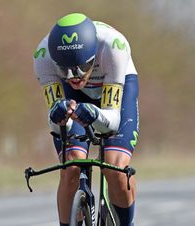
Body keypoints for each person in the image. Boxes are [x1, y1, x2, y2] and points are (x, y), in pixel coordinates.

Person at [33, 13, 139, 226]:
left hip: (117, 87)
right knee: (71, 166)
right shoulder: (43, 56)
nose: (74, 76)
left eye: (83, 66)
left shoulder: (113, 47)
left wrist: (94, 113)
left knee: (114, 167)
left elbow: (112, 121)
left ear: (94, 55)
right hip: (74, 99)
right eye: (64, 69)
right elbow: (56, 124)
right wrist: (59, 115)